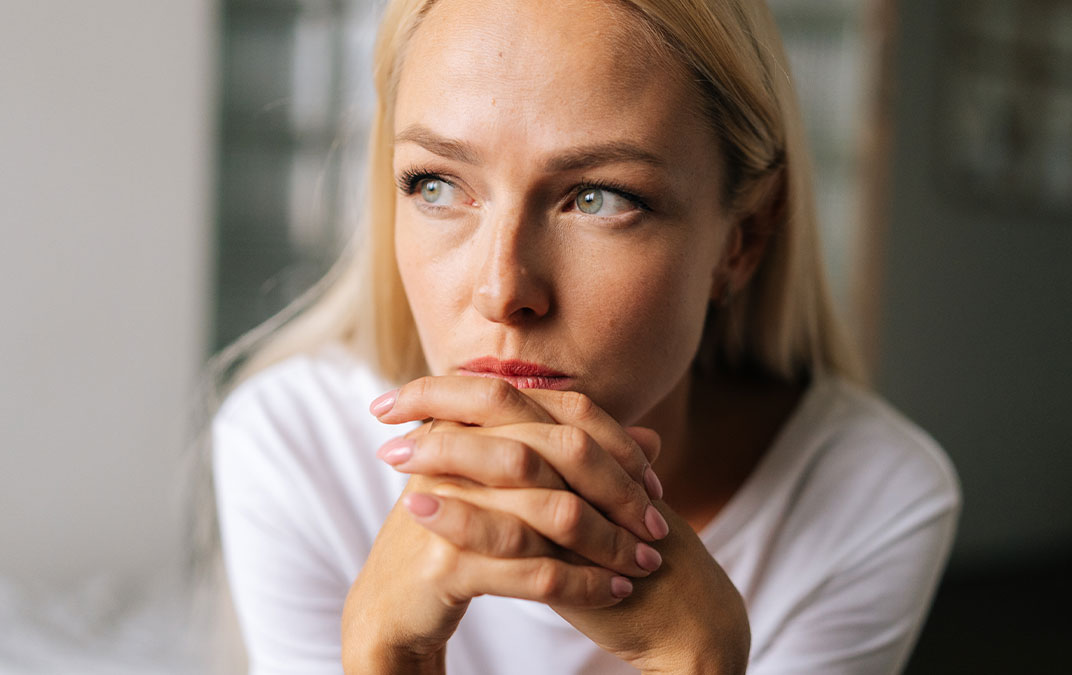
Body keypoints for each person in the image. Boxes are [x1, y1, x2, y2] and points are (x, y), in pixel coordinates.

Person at [211, 0, 961, 672]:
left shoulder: (874, 494)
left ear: (743, 238)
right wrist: (383, 652)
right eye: (435, 184)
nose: (502, 289)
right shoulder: (294, 443)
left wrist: (697, 659)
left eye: (599, 198)